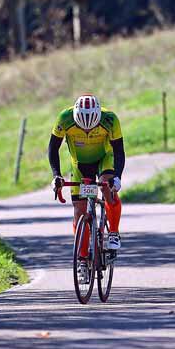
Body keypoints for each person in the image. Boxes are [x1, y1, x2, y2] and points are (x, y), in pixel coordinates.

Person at [50, 94, 125, 277]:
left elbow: (119, 151)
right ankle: (82, 261)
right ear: (75, 116)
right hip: (79, 165)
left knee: (108, 188)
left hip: (104, 159)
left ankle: (113, 232)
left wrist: (117, 178)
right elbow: (53, 149)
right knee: (79, 211)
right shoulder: (64, 118)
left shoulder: (110, 119)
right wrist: (56, 176)